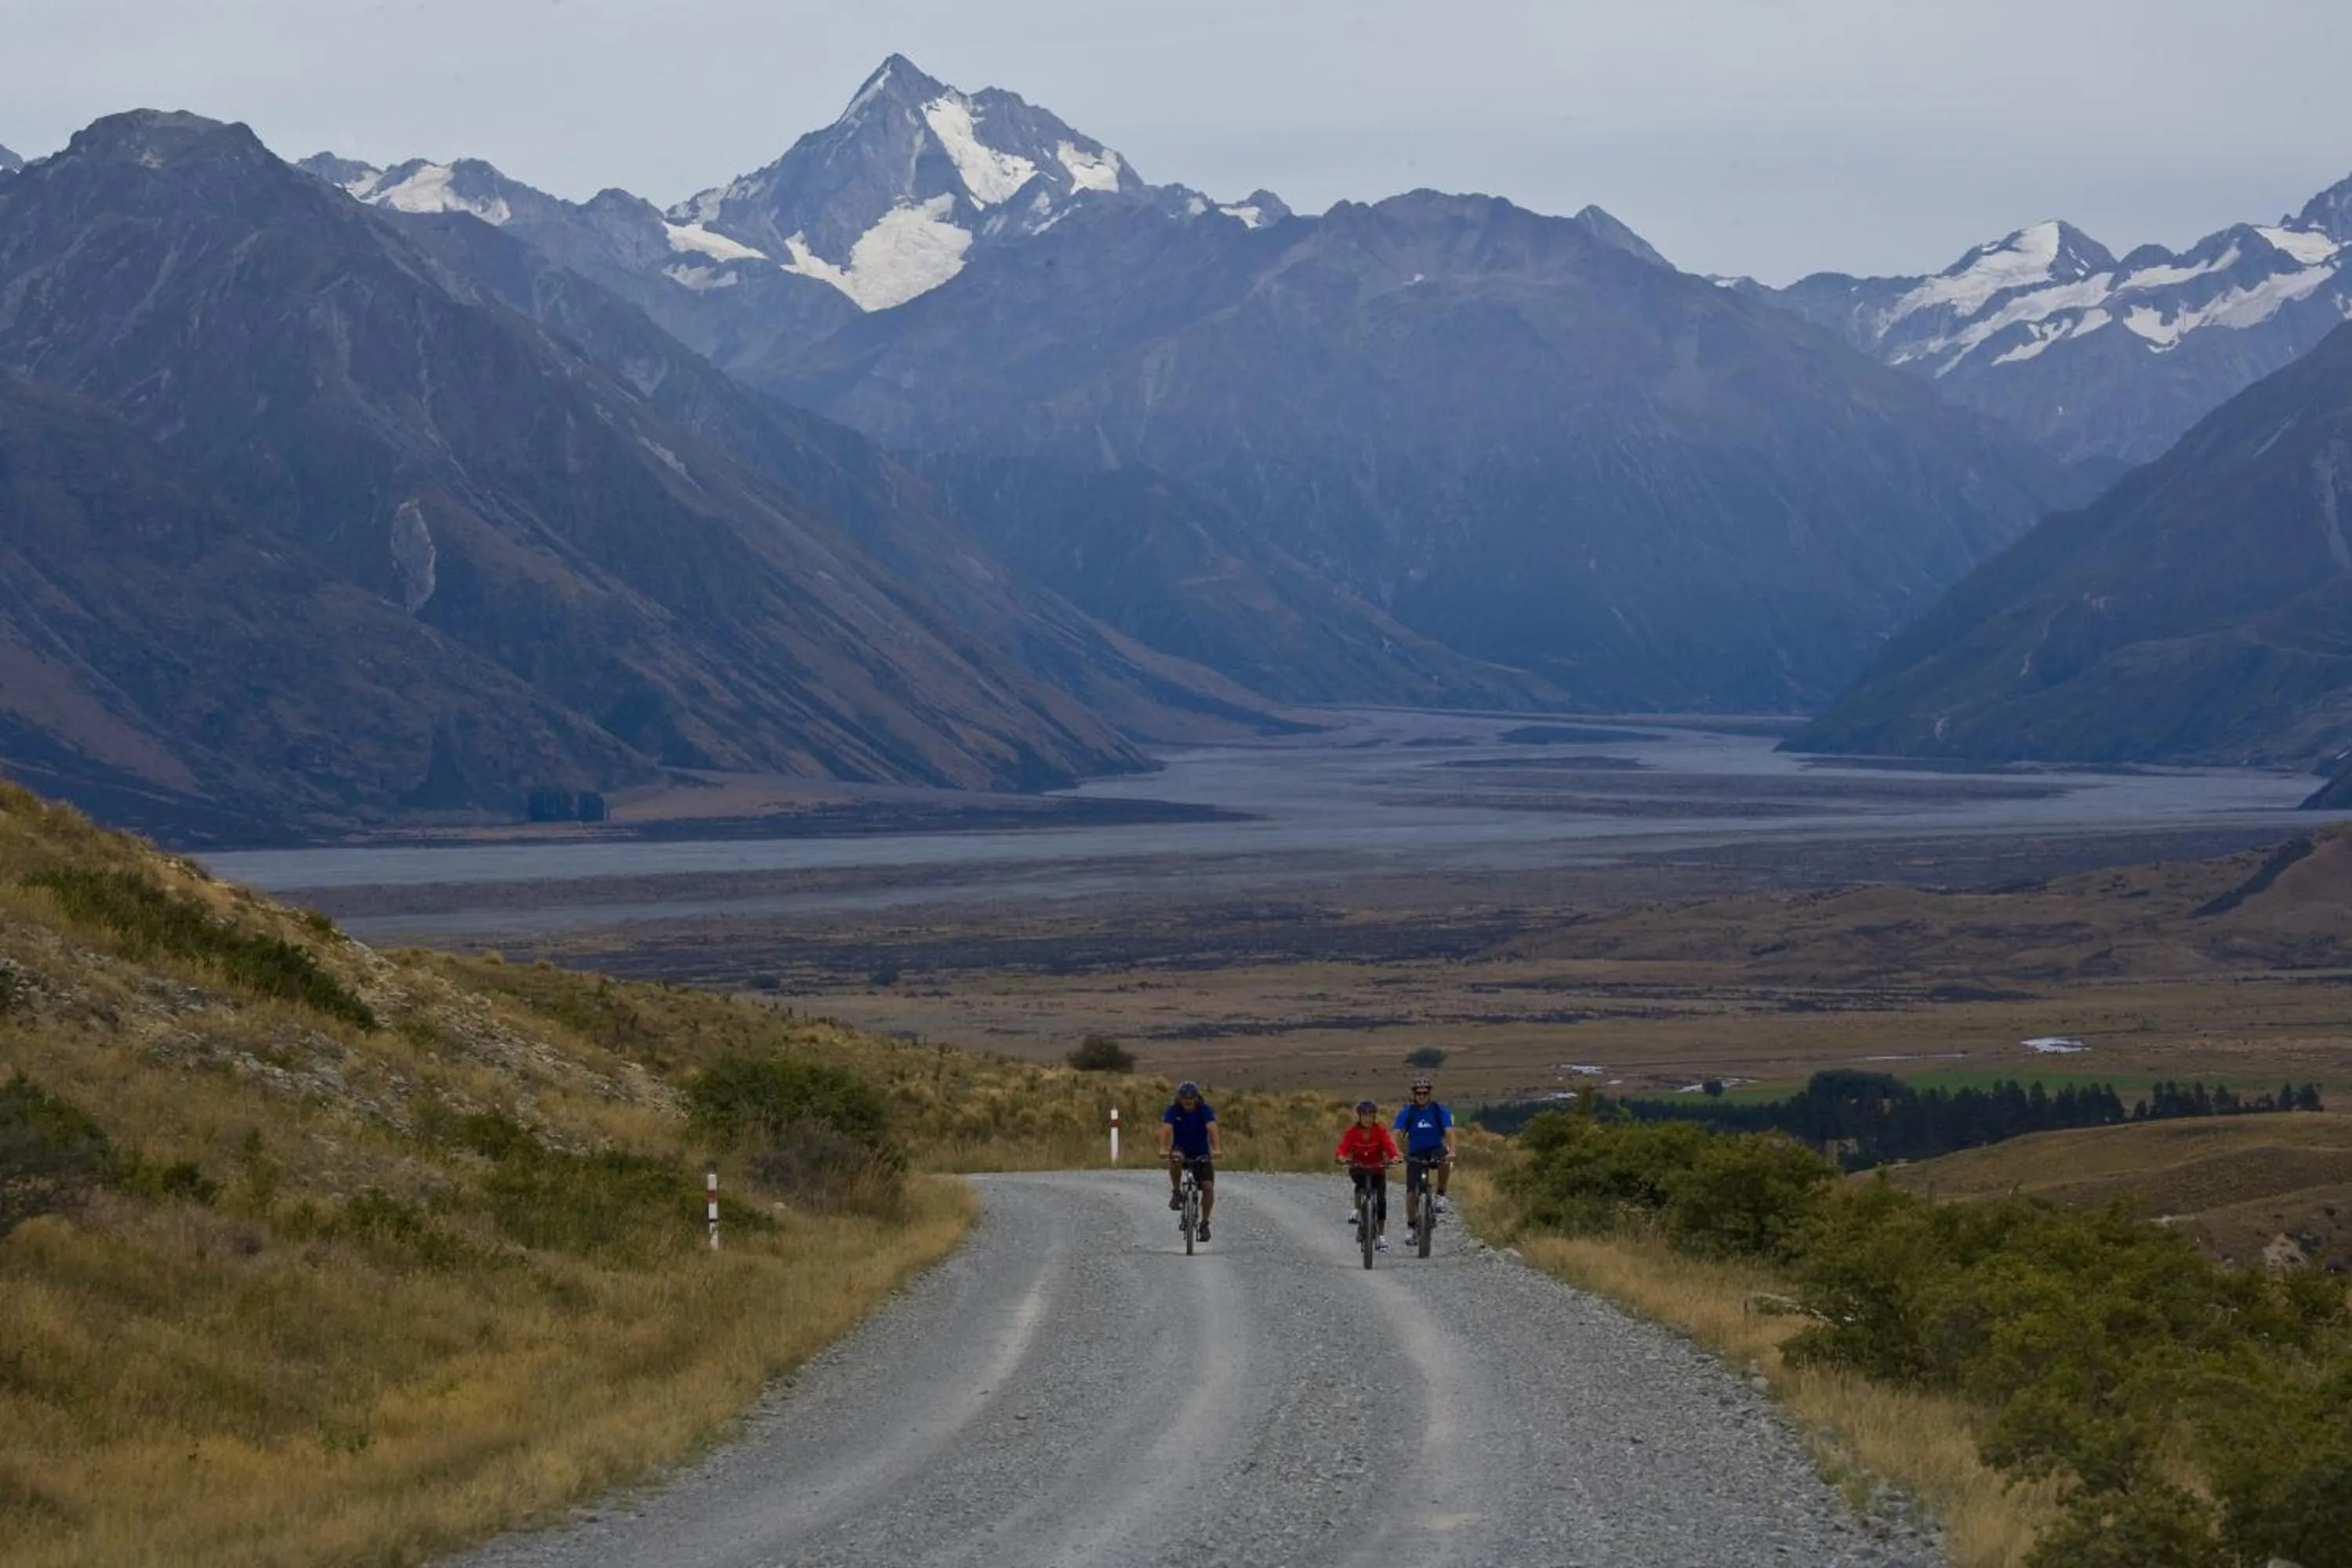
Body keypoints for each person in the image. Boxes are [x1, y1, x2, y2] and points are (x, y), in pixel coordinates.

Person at [1394, 1071, 1456, 1242]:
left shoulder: (1438, 1110)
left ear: (1429, 1093)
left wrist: (1452, 1151)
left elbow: (1450, 1132)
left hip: (1435, 1149)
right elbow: (1396, 1133)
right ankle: (1411, 1226)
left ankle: (1441, 1195)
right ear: (1414, 1094)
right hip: (1415, 1153)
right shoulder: (1408, 1112)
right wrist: (1396, 1151)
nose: (1421, 1096)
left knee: (1444, 1159)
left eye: (1425, 1093)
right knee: (1411, 1192)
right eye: (1418, 1093)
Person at [1336, 1098, 1401, 1252]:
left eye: (1370, 1115)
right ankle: (1358, 1210)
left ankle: (1381, 1236)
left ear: (1374, 1116)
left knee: (1381, 1202)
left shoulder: (1380, 1131)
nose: (1367, 1118)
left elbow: (1389, 1146)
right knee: (1360, 1185)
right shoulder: (1352, 1132)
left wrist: (1394, 1156)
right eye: (1364, 1115)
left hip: (1377, 1169)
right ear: (1359, 1116)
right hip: (1358, 1167)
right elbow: (1343, 1147)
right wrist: (1341, 1156)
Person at [1160, 1080, 1220, 1242]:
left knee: (1208, 1187)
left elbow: (1212, 1127)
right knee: (1175, 1158)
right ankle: (1176, 1192)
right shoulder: (1174, 1110)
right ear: (1179, 1098)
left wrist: (1216, 1149)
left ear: (1197, 1098)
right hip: (1181, 1149)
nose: (1188, 1101)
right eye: (1185, 1098)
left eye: (1191, 1098)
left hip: (1201, 1153)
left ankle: (1204, 1224)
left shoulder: (1204, 1110)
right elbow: (1166, 1128)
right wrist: (1163, 1148)